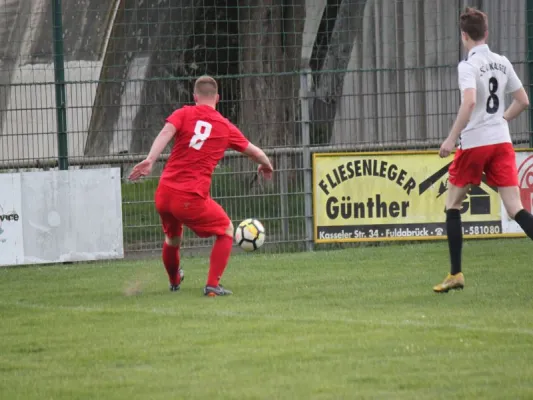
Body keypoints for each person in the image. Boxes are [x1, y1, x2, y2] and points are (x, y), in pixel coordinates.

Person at [129, 76, 273, 296]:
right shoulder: (224, 127)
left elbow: (166, 132)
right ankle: (213, 285)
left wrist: (150, 159)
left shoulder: (183, 113)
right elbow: (255, 152)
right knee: (226, 230)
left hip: (164, 193)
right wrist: (266, 165)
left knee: (172, 239)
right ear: (217, 98)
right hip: (189, 197)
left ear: (195, 97)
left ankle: (175, 280)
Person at [433, 7, 533, 293]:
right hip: (501, 141)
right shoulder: (502, 62)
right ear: (486, 33)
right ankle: (454, 274)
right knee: (516, 209)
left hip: (475, 141)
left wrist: (451, 139)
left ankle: (455, 274)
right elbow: (523, 100)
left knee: (452, 205)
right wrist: (502, 120)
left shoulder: (467, 65)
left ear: (464, 36)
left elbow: (469, 102)